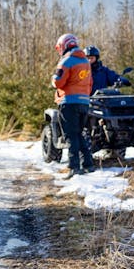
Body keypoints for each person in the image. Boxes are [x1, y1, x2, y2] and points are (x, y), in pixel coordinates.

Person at [51, 33, 94, 178]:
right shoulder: (86, 62)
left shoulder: (66, 61)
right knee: (78, 133)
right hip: (84, 102)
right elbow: (90, 83)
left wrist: (52, 80)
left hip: (68, 102)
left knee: (70, 135)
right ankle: (88, 164)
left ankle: (74, 167)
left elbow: (58, 81)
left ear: (64, 45)